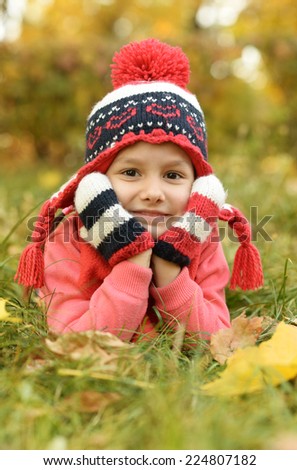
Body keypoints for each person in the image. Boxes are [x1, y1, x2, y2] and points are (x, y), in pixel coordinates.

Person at [15, 39, 263, 342]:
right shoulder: (69, 240)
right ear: (98, 180)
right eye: (131, 173)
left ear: (197, 186)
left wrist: (170, 271)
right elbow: (75, 339)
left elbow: (213, 340)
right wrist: (132, 262)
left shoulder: (203, 239)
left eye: (172, 175)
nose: (153, 192)